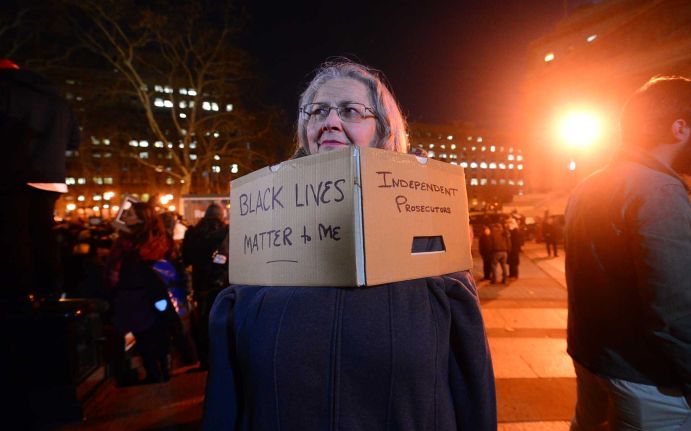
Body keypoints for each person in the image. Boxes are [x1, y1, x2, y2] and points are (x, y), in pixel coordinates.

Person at [202, 60, 496, 430]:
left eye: (350, 111)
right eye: (317, 111)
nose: (330, 121)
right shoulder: (261, 254)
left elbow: (472, 394)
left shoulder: (436, 269)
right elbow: (228, 397)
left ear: (383, 132)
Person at [564, 76, 691, 430]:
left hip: (591, 357)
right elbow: (672, 306)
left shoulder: (590, 183)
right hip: (646, 379)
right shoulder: (660, 189)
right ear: (680, 128)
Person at [0, 59, 81, 303]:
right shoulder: (57, 99)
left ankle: (19, 293)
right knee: (43, 232)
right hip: (50, 176)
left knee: (15, 233)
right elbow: (74, 141)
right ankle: (50, 289)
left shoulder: (5, 91)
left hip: (14, 173)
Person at [106, 201, 176, 383]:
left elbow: (114, 270)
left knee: (142, 336)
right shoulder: (160, 239)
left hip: (134, 295)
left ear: (141, 218)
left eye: (129, 214)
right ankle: (165, 368)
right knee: (159, 332)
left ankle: (153, 372)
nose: (125, 217)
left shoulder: (126, 243)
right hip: (159, 294)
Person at [182, 203, 228, 371]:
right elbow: (226, 258)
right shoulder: (226, 232)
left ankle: (205, 361)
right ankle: (221, 359)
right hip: (221, 285)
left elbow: (186, 259)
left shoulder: (192, 233)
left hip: (200, 284)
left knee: (202, 322)